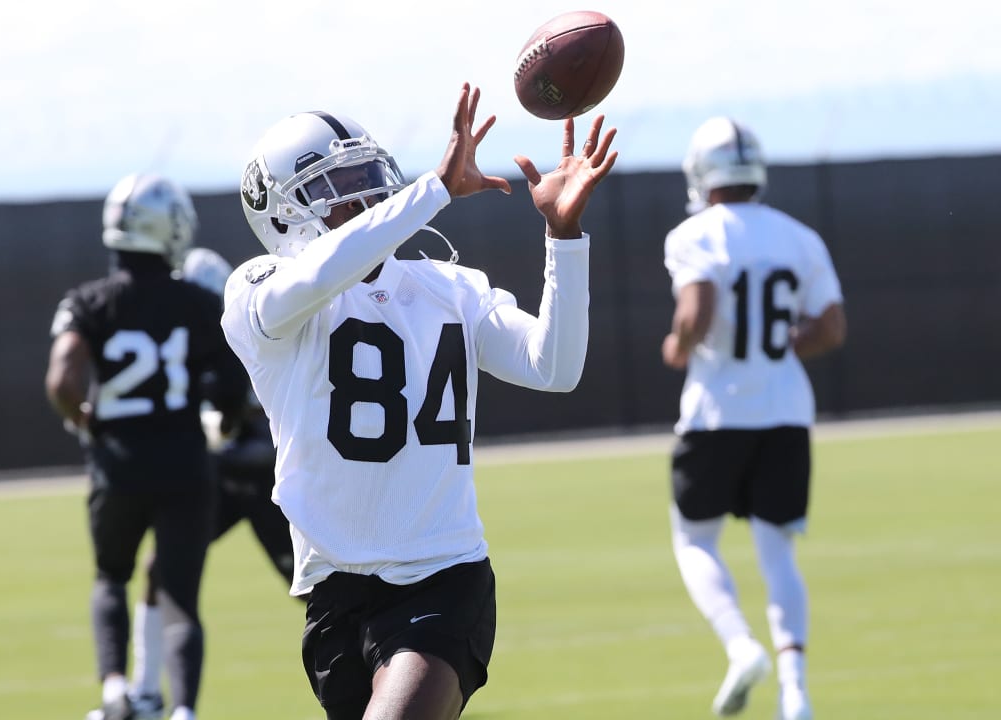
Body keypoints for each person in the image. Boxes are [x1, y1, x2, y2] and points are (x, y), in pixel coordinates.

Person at [220, 82, 617, 720]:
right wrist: (430, 191)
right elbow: (320, 274)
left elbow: (554, 367)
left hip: (443, 574)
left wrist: (564, 240)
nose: (366, 195)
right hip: (334, 589)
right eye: (334, 184)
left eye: (367, 175)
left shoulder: (450, 288)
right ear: (282, 212)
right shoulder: (259, 292)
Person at [660, 117, 846, 720]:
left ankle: (741, 648)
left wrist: (680, 346)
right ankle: (796, 691)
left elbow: (698, 307)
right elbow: (831, 328)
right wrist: (779, 342)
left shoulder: (697, 234)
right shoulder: (799, 236)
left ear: (702, 174)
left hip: (717, 411)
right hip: (786, 410)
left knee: (695, 541)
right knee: (778, 552)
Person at [45, 173, 249, 720]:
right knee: (180, 599)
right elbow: (235, 386)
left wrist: (84, 419)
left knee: (112, 576)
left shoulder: (88, 301)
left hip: (118, 464)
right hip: (185, 464)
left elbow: (62, 379)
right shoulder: (199, 302)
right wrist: (223, 422)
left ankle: (116, 691)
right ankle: (182, 710)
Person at [122, 247, 300, 713]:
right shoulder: (188, 340)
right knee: (159, 569)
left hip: (267, 483)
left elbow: (263, 431)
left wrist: (214, 437)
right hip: (219, 480)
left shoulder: (252, 335)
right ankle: (145, 692)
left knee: (314, 585)